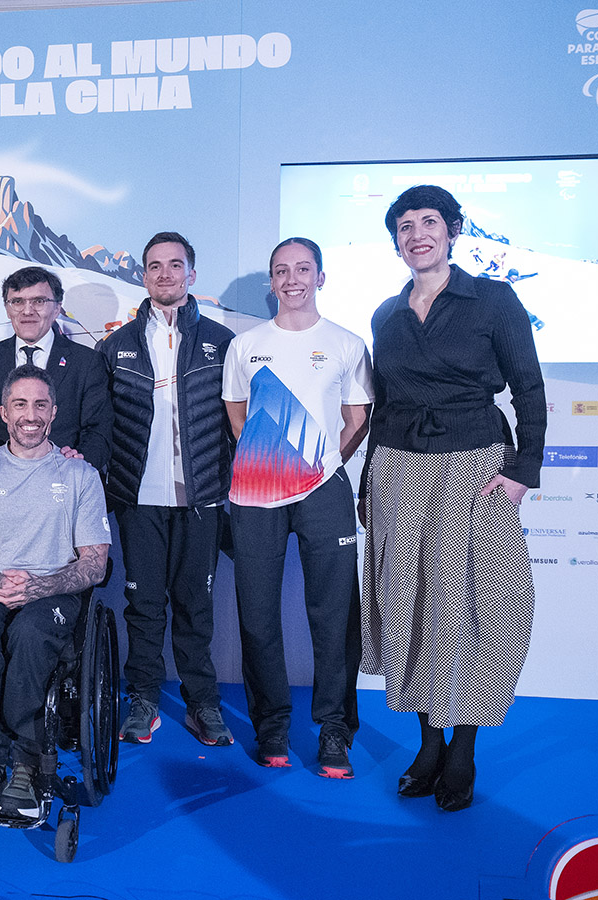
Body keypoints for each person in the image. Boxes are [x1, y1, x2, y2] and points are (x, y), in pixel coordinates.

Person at [361, 185, 546, 812]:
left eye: (429, 222)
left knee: (470, 611)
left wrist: (525, 467)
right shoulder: (387, 314)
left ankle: (462, 750)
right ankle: (428, 745)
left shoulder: (492, 299)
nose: (417, 234)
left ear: (453, 230)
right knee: (411, 610)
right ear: (396, 241)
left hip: (474, 463)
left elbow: (528, 387)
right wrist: (368, 483)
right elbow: (382, 402)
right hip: (396, 467)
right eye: (405, 226)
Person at [222, 238, 373, 776]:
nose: (292, 279)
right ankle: (273, 728)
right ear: (271, 281)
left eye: (303, 269)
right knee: (258, 615)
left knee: (334, 616)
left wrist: (321, 461)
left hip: (323, 489)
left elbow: (357, 420)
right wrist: (273, 460)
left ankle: (334, 730)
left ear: (321, 277)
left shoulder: (346, 343)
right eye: (281, 270)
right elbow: (236, 416)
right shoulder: (246, 346)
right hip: (256, 491)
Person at [0, 364, 110, 818]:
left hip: (53, 586)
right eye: (20, 404)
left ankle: (26, 760)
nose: (30, 415)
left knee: (31, 635)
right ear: (3, 412)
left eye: (40, 405)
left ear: (54, 413)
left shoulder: (80, 475)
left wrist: (39, 586)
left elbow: (95, 563)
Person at [101, 231, 235, 747]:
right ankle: (145, 699)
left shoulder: (223, 343)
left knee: (196, 607)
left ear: (192, 275)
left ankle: (202, 703)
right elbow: (104, 424)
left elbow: (238, 423)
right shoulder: (117, 346)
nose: (164, 275)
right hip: (138, 497)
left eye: (174, 265)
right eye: (154, 266)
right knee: (143, 604)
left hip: (201, 497)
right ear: (143, 276)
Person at [0, 266, 112, 473]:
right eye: (17, 301)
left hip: (66, 481)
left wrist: (79, 465)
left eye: (39, 301)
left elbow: (100, 427)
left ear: (57, 308)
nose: (27, 311)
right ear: (7, 309)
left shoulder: (88, 361)